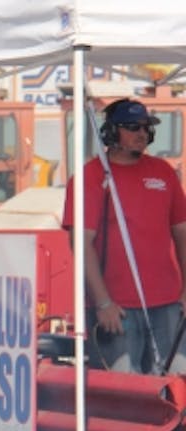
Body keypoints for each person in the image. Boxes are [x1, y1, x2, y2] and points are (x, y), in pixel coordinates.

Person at [63, 99, 186, 373]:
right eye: (132, 127)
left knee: (175, 389)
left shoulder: (163, 172)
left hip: (167, 305)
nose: (142, 134)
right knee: (124, 393)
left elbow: (182, 233)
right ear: (110, 132)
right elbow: (81, 244)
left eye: (145, 128)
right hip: (116, 310)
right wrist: (103, 301)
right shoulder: (90, 178)